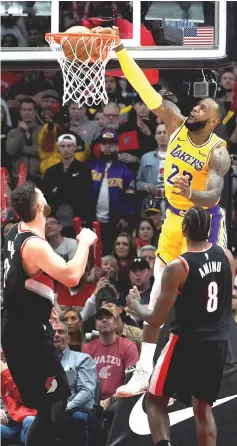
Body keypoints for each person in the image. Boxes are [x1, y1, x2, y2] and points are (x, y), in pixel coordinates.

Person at [92, 26, 231, 396]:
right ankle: (143, 371)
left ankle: (225, 359)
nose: (194, 107)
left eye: (202, 107)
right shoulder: (174, 122)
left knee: (208, 299)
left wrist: (194, 193)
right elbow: (145, 90)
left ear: (214, 121)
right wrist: (121, 51)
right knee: (155, 299)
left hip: (206, 224)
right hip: (173, 221)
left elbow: (215, 195)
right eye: (196, 105)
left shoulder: (218, 150)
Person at [126, 206, 234, 446]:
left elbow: (155, 319)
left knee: (154, 401)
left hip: (186, 341)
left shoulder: (179, 267)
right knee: (203, 409)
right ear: (209, 229)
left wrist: (135, 304)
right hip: (217, 343)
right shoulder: (226, 256)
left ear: (183, 230)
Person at [1, 181, 97, 446]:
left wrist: (48, 305)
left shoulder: (14, 232)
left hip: (22, 326)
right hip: (26, 334)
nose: (45, 194)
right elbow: (72, 275)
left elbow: (26, 283)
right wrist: (85, 242)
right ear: (40, 206)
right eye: (42, 194)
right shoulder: (33, 244)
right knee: (55, 401)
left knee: (50, 402)